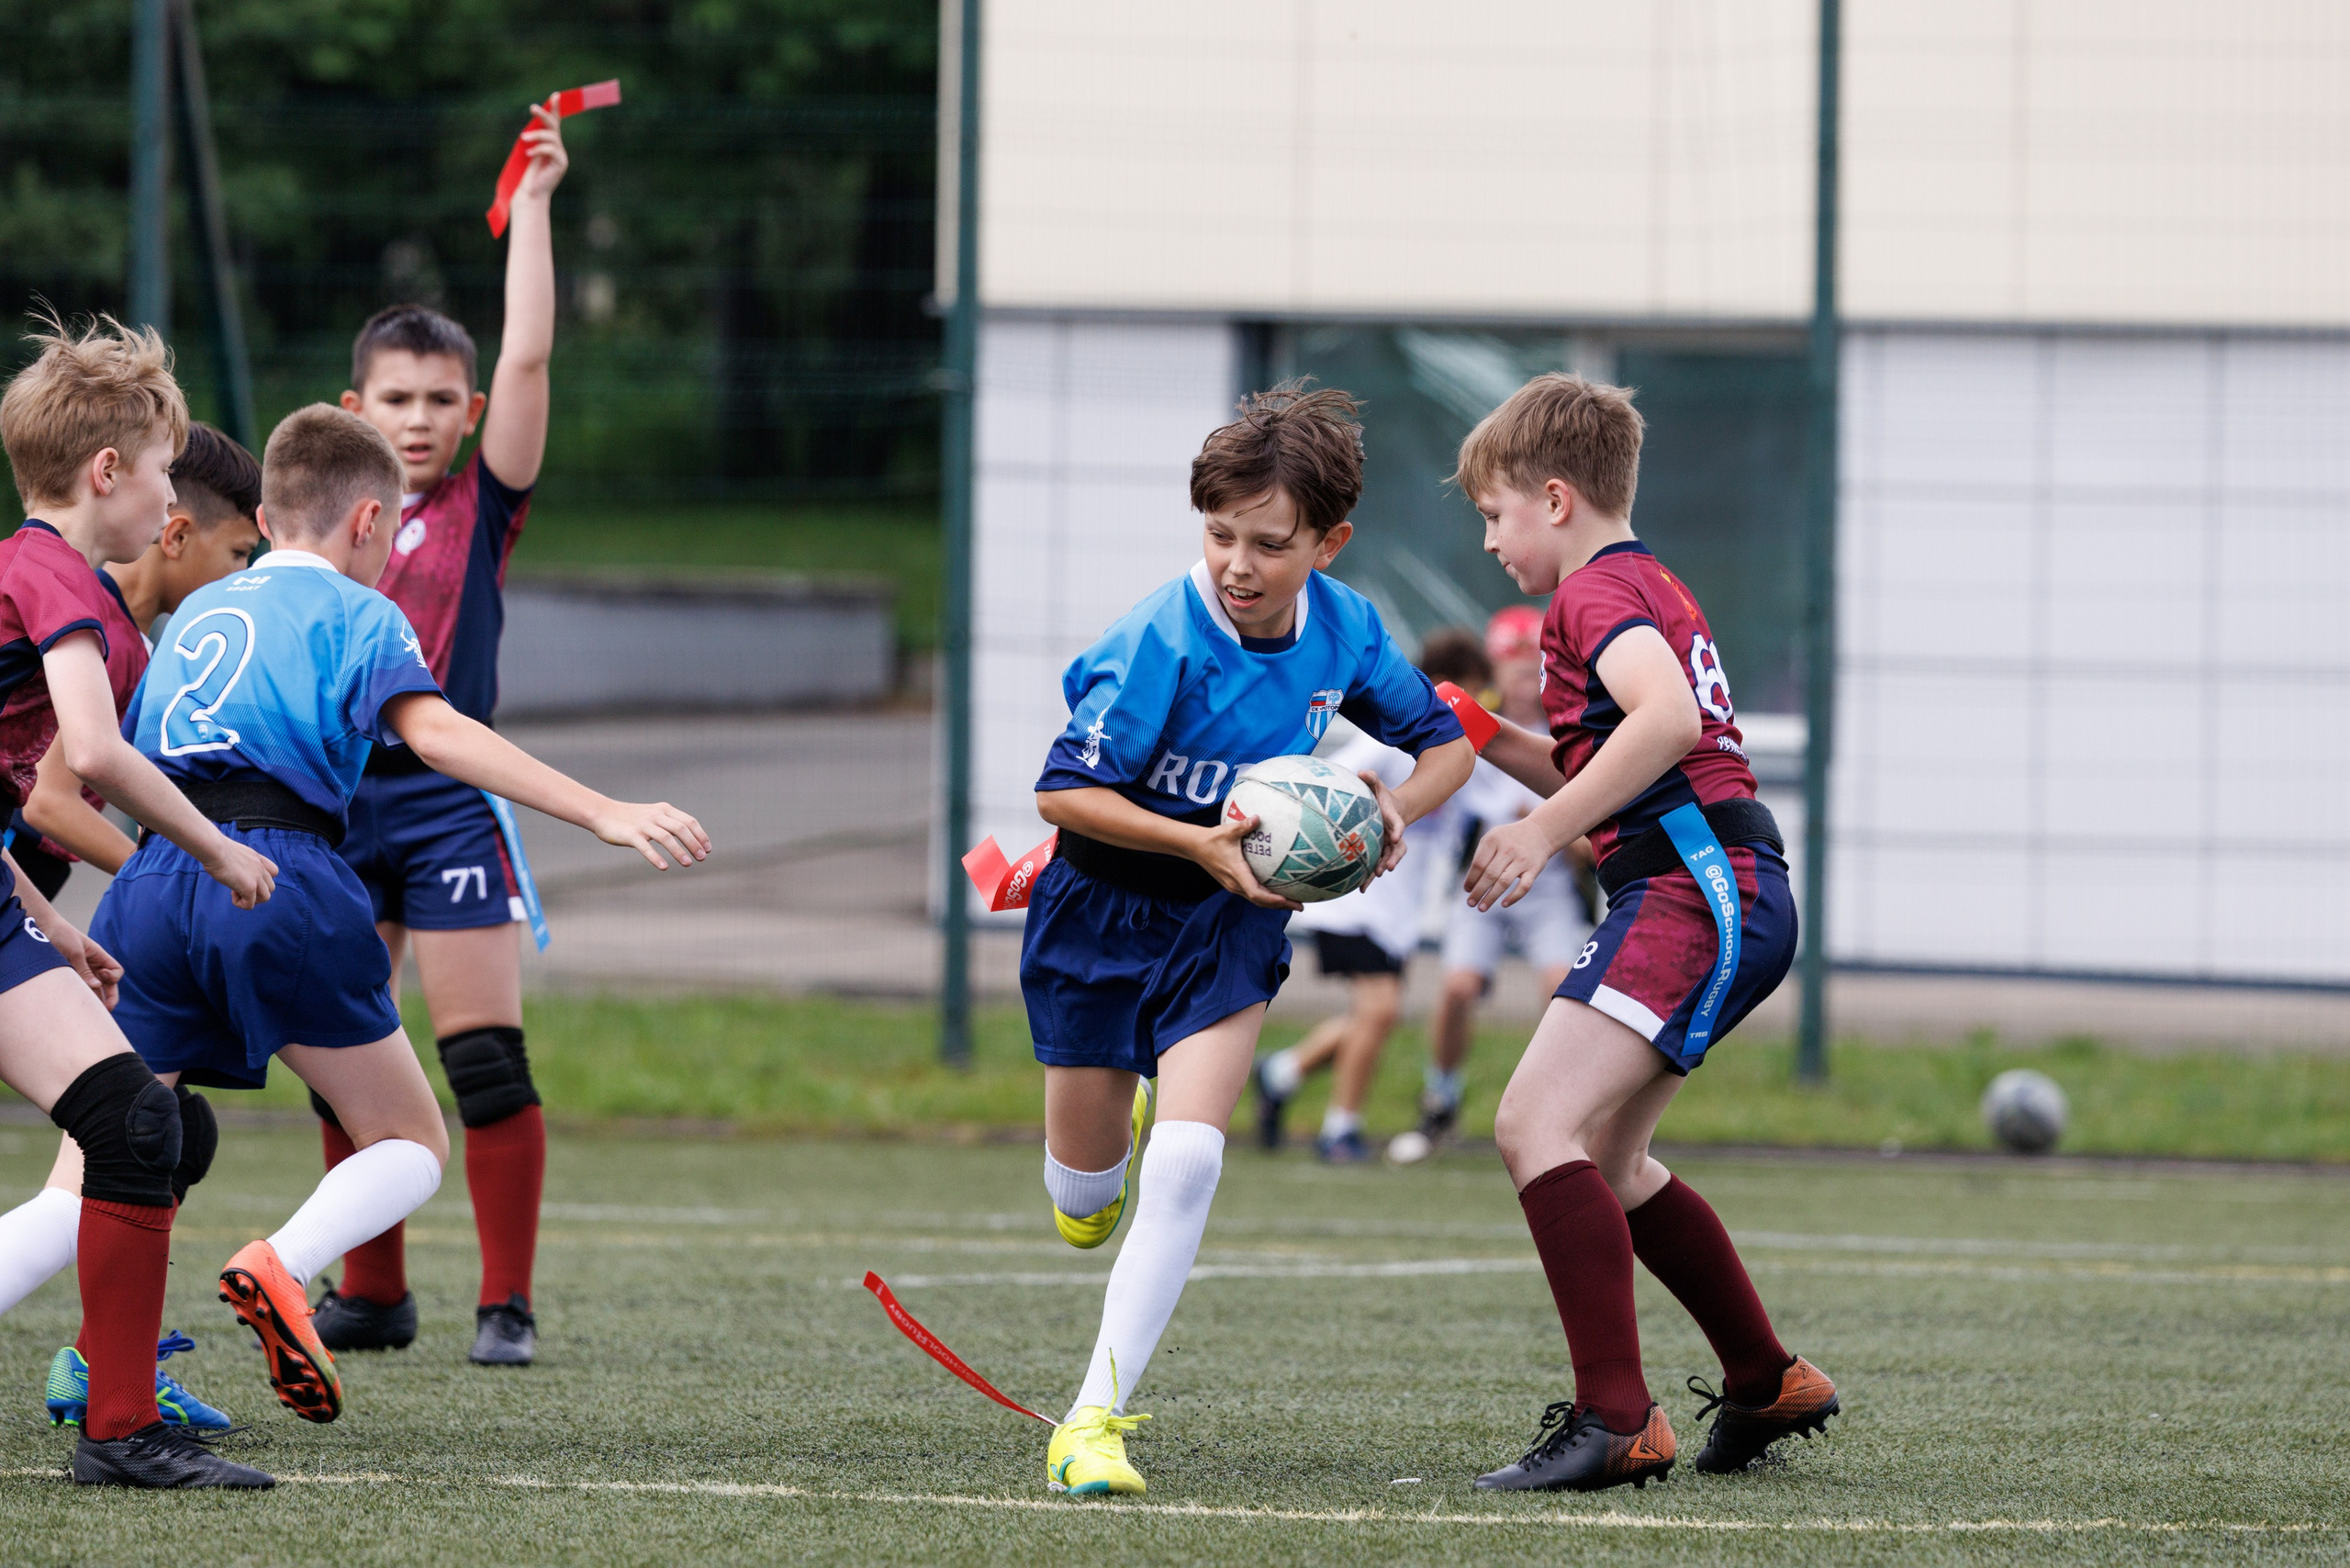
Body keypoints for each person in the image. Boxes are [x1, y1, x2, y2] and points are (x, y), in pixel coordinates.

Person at [84, 403, 708, 1428]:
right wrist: (602, 808)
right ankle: (282, 1265)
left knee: (118, 1155)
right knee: (413, 1138)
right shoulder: (361, 615)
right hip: (272, 872)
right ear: (369, 521)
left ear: (271, 510)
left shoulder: (193, 612)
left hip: (152, 882)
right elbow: (440, 733)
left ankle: (99, 1382)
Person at [1021, 382, 1475, 1497]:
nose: (1237, 560)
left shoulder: (1347, 628)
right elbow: (1060, 799)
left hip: (1230, 918)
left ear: (1329, 541)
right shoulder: (1158, 643)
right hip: (1099, 908)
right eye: (1220, 533)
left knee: (1188, 1160)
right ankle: (1113, 1122)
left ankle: (1092, 1421)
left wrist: (1388, 820)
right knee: (1084, 1206)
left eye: (1269, 542)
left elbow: (1446, 744)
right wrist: (1196, 841)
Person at [1454, 374, 1834, 1494]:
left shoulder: (1588, 596)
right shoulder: (1638, 580)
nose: (1487, 542)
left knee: (1533, 1124)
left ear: (1556, 498)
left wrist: (1539, 831)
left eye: (1493, 514)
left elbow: (1663, 725)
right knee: (1607, 1160)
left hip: (1693, 887)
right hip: (1717, 884)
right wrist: (1468, 725)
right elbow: (1607, 753)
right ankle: (1768, 1378)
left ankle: (1616, 1418)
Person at [0, 312, 281, 1488]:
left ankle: (118, 1423)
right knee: (138, 1123)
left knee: (148, 1125)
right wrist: (215, 849)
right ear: (108, 473)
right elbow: (94, 754)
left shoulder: (51, 573)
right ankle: (118, 1426)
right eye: (163, 469)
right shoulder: (48, 570)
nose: (170, 493)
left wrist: (52, 923)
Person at [319, 99, 570, 1365]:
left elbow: (528, 358)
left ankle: (506, 1302)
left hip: (445, 799)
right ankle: (371, 1292)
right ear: (352, 406)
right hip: (328, 804)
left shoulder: (485, 504)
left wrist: (529, 207)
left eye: (439, 399)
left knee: (483, 1062)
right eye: (395, 398)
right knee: (344, 1050)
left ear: (469, 412)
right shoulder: (314, 523)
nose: (417, 418)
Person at [1249, 630, 1492, 1161]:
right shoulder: (1391, 742)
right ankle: (1340, 1129)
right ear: (1451, 687)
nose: (1482, 706)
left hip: (1395, 914)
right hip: (1355, 899)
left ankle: (1280, 1073)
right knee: (1379, 1011)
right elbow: (1330, 783)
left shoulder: (1455, 752)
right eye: (1476, 692)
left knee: (1372, 1016)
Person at [1390, 607, 1595, 1165]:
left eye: (1536, 666)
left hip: (1551, 887)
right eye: (1514, 665)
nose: (1526, 678)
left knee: (1563, 992)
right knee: (1458, 986)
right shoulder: (1471, 721)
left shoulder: (1571, 727)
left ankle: (1568, 1114)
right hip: (1482, 880)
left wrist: (1557, 829)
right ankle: (1441, 1098)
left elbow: (1593, 824)